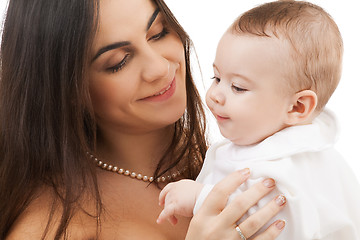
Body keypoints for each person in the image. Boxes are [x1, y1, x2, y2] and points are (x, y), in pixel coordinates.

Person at [0, 0, 288, 239]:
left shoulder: (229, 156)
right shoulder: (50, 227)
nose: (160, 68)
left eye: (159, 32)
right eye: (118, 61)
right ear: (68, 89)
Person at [157, 1, 360, 239]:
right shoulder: (277, 142)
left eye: (238, 87)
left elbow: (276, 220)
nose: (215, 95)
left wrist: (200, 198)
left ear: (297, 107)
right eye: (217, 77)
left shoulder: (287, 165)